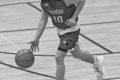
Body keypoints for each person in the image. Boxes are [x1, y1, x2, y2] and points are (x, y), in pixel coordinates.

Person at [29, 0, 105, 80]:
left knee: (59, 57)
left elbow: (82, 1)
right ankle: (97, 62)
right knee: (77, 53)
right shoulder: (44, 3)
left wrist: (73, 17)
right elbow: (43, 20)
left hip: (71, 31)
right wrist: (36, 39)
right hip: (61, 31)